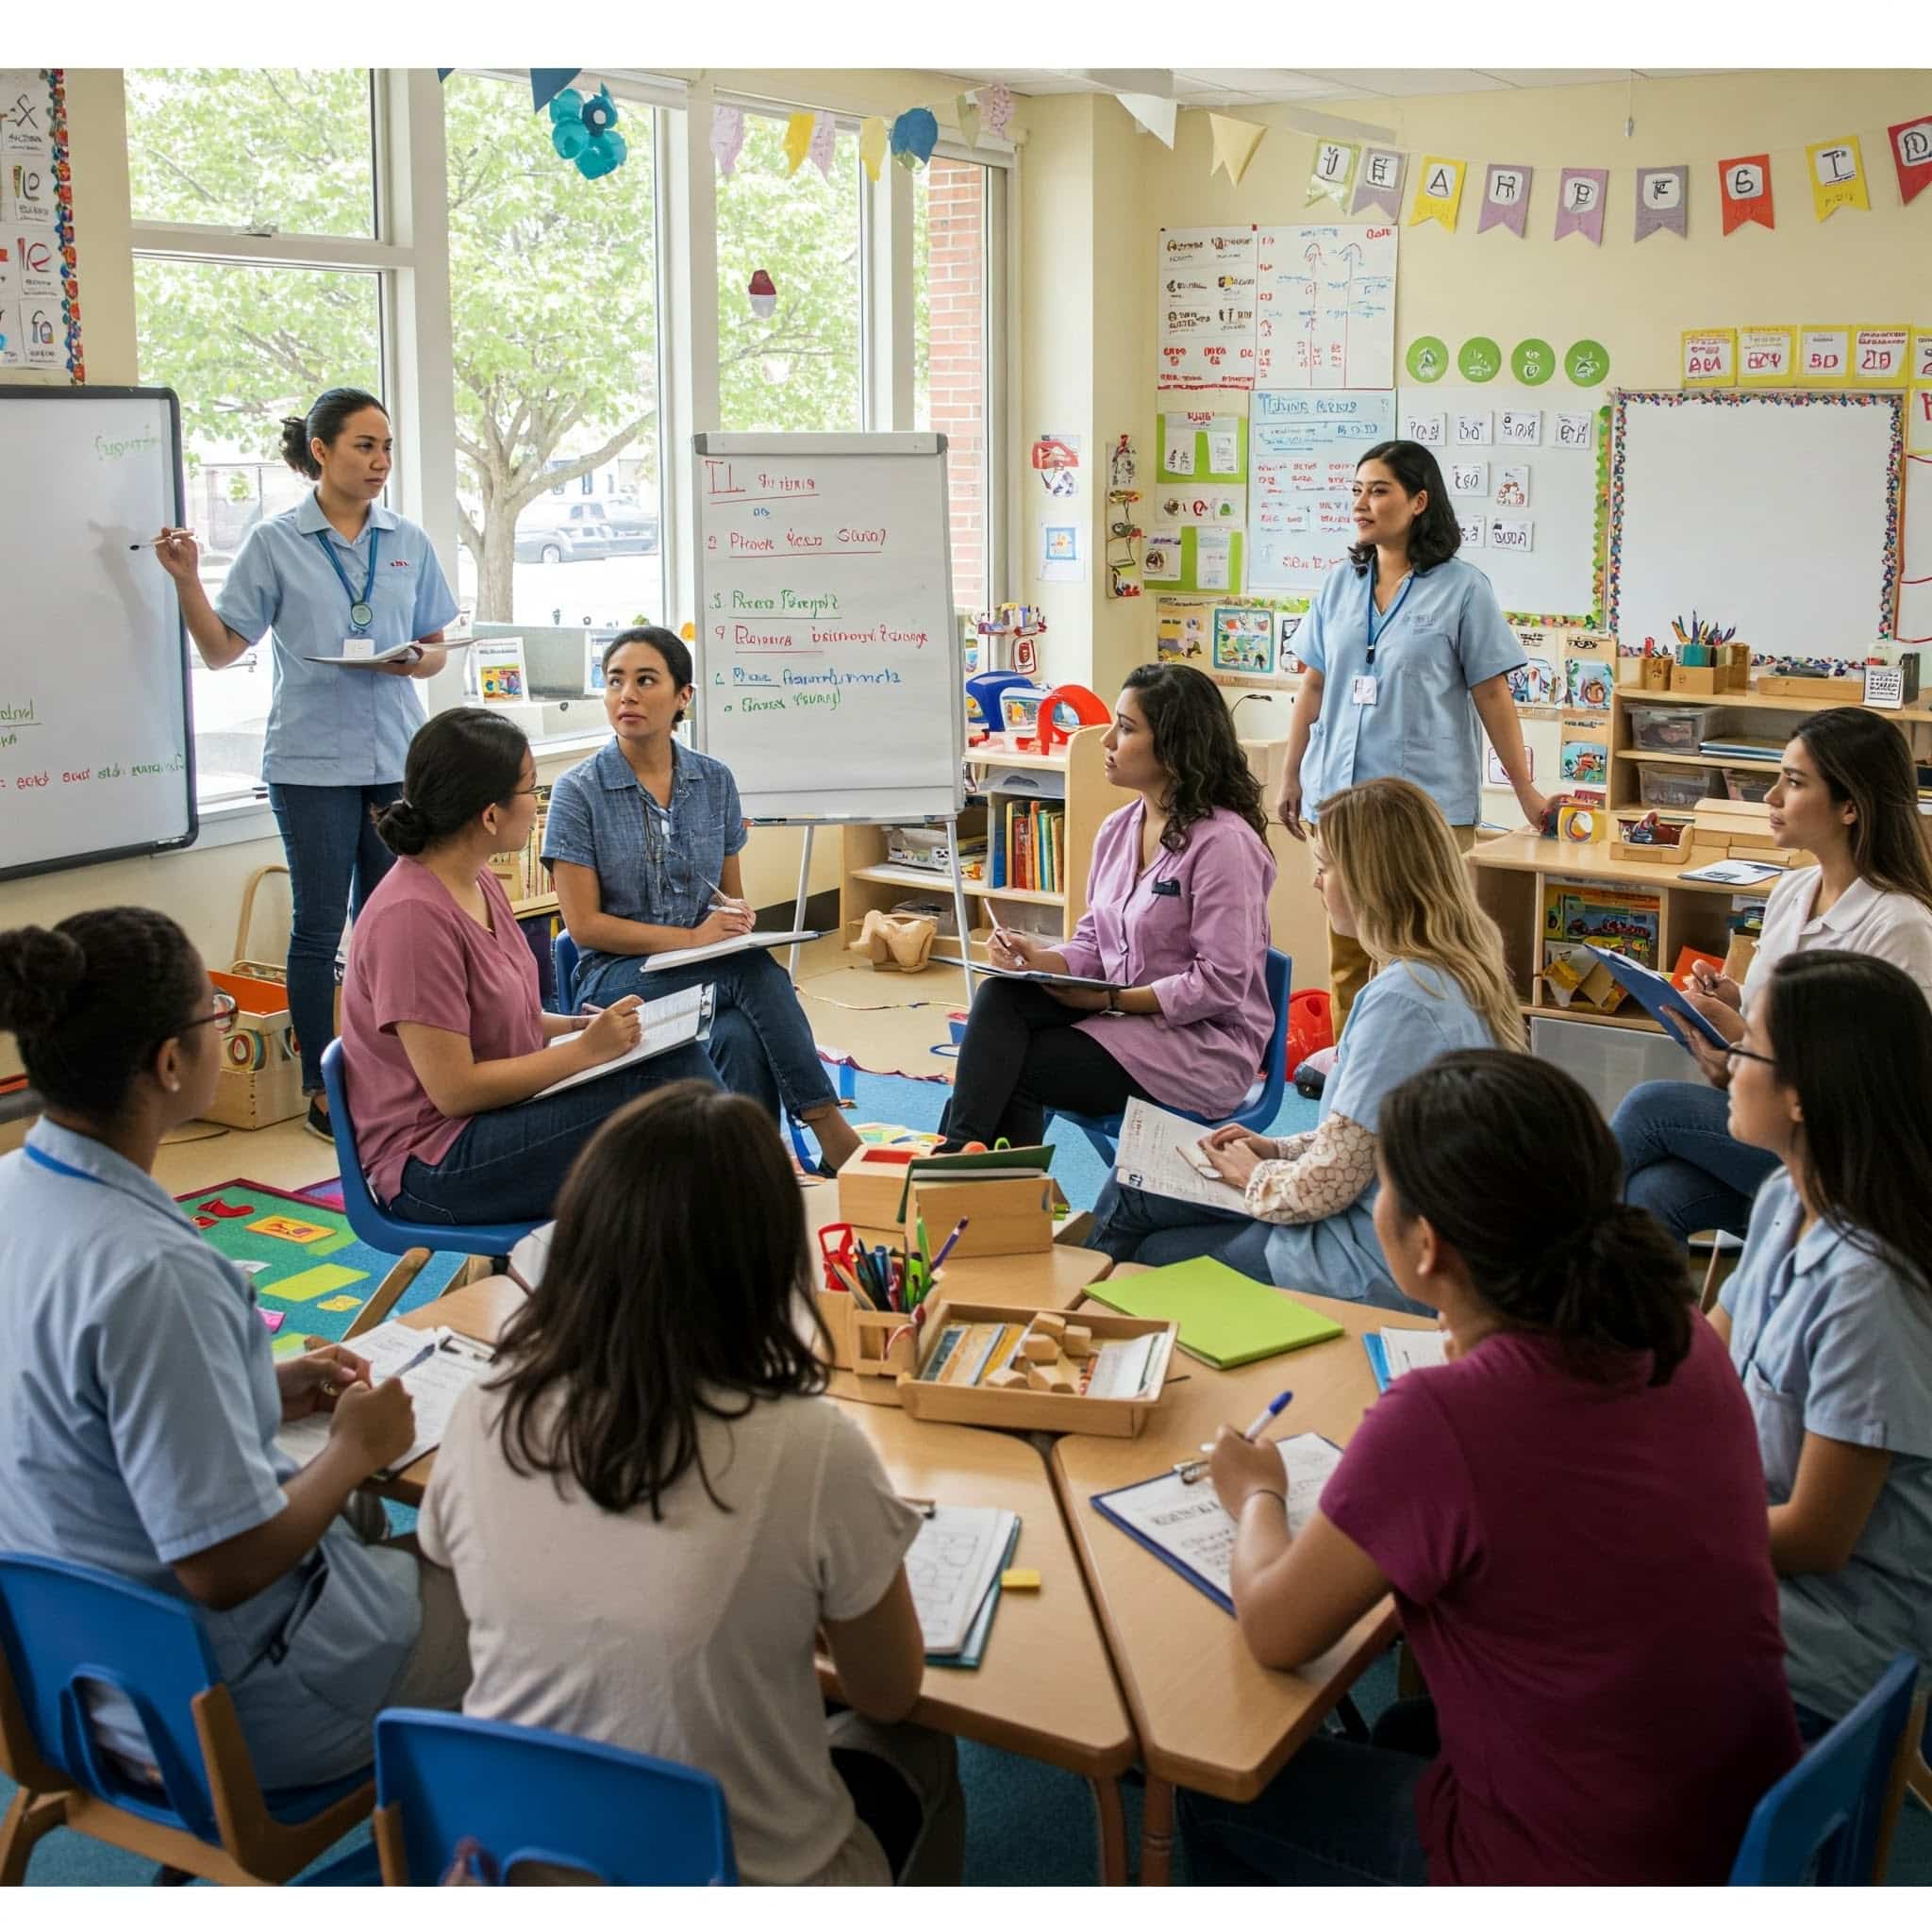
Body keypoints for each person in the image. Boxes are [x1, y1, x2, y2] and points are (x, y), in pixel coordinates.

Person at [1182, 1050, 1801, 1885]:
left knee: (1218, 1788)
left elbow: (1275, 1630)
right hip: (1735, 1822)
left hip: (1578, 1868)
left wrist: (1258, 1491)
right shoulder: (1678, 1333)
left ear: (1428, 1245)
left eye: (1384, 1188)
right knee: (1405, 1727)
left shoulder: (1442, 1420)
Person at [419, 1082, 965, 1886]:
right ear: (771, 1263)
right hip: (745, 1878)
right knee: (919, 1741)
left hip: (522, 1865)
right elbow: (886, 1690)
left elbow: (473, 1595)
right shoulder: (810, 1443)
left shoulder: (487, 1405)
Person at [0, 909, 470, 1788]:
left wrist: (256, 1382)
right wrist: (355, 1448)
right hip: (216, 1714)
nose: (223, 1028)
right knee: (535, 1601)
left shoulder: (15, 1195)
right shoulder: (156, 1274)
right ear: (170, 1064)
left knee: (376, 1533)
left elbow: (78, 1411)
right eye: (215, 1013)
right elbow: (221, 1568)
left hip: (62, 1684)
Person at [151, 388, 458, 1141]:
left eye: (387, 447)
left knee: (392, 925)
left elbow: (437, 647)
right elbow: (222, 650)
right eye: (364, 445)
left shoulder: (407, 539)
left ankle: (395, 1073)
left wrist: (415, 661)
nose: (380, 461)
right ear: (320, 451)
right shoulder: (275, 541)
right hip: (309, 763)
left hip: (395, 759)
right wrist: (187, 580)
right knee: (320, 928)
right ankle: (327, 1089)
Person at [1091, 778, 1521, 1311]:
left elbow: (1328, 1185)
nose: (1318, 882)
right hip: (1391, 1228)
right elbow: (1366, 1136)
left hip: (1366, 1256)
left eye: (1326, 867)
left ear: (1371, 880)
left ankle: (1075, 1325)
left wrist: (1254, 1175)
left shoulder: (1403, 1000)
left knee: (1152, 1248)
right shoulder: (1453, 970)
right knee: (1137, 1186)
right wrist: (1277, 1149)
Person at [338, 707, 718, 1226]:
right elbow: (455, 1091)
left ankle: (699, 1234)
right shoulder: (411, 919)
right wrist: (585, 1052)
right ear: (489, 815)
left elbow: (497, 1015)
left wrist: (577, 1028)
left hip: (494, 1118)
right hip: (434, 1161)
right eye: (531, 789)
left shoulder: (476, 880)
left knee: (679, 1070)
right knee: (676, 1106)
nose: (538, 802)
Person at [1708, 950, 1932, 1738]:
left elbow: (1816, 1537)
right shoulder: (1784, 1196)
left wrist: (1657, 1527)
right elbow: (1698, 1365)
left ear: (1802, 1095)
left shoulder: (1872, 1286)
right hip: (1754, 1560)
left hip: (1834, 1639)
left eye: (1748, 1047)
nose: (1729, 1064)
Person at [543, 626, 859, 1173]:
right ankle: (828, 1127)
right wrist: (691, 939)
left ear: (683, 696)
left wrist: (734, 918)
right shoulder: (578, 791)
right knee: (753, 973)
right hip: (616, 977)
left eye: (646, 681)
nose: (627, 695)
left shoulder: (714, 781)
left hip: (708, 966)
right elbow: (586, 926)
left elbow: (729, 896)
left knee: (738, 1031)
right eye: (615, 681)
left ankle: (747, 1171)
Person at [1613, 707, 1932, 1245]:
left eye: (1794, 782)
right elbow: (1785, 1014)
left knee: (1652, 1107)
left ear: (1851, 807)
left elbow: (1880, 1093)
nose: (1770, 797)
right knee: (1654, 1192)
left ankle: (1535, 1261)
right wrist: (1733, 1000)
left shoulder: (1901, 926)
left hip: (1846, 1161)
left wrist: (1744, 1050)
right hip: (1778, 1138)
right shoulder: (1793, 890)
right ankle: (1619, 1301)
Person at [937, 661, 1275, 1151]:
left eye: (1127, 728)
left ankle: (963, 1172)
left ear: (1175, 747)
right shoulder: (1118, 828)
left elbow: (1219, 984)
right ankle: (961, 1159)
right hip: (1122, 1020)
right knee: (1000, 996)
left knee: (1018, 1066)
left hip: (1201, 1046)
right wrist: (1040, 960)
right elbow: (1095, 941)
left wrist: (1111, 1001)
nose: (1107, 740)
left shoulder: (1225, 844)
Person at [1270, 440, 1545, 1026]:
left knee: (1422, 955)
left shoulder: (1463, 588)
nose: (1361, 504)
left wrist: (1524, 790)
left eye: (1378, 491)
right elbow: (1313, 685)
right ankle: (1353, 1067)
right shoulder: (1340, 584)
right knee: (1348, 957)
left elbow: (1492, 695)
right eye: (1357, 491)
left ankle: (1421, 1069)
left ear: (1419, 501)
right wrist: (1291, 775)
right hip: (1339, 800)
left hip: (1425, 807)